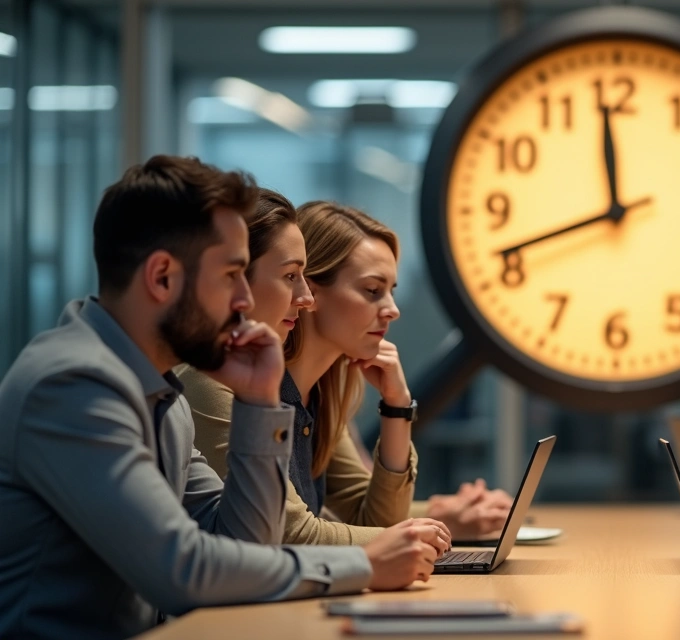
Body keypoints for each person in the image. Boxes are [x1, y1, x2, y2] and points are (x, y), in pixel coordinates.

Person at [0, 157, 450, 640]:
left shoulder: (162, 395)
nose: (243, 298)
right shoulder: (73, 385)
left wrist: (259, 402)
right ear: (163, 277)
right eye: (232, 274)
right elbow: (181, 570)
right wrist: (359, 564)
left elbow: (245, 541)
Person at [185, 198, 509, 544]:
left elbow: (375, 518)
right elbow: (289, 533)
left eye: (390, 291)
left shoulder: (321, 394)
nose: (392, 310)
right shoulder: (221, 384)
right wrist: (421, 530)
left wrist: (397, 407)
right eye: (373, 291)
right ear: (314, 286)